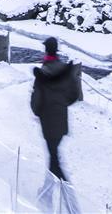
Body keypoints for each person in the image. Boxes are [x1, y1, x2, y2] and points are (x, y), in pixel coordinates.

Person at [30, 37, 80, 183]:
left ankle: (66, 190)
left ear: (46, 50)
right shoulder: (66, 71)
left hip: (47, 121)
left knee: (53, 157)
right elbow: (74, 94)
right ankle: (48, 189)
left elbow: (36, 101)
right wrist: (62, 103)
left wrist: (39, 111)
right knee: (53, 154)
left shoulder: (42, 73)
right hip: (61, 119)